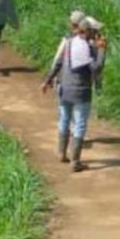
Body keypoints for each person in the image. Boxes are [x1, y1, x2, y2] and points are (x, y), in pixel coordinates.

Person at [42, 15, 105, 172]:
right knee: (80, 124)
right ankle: (75, 161)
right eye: (95, 31)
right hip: (80, 91)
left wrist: (48, 80)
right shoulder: (87, 48)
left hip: (64, 89)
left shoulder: (69, 42)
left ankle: (61, 153)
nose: (97, 34)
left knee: (64, 119)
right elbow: (96, 69)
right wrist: (102, 50)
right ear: (88, 31)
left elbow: (58, 63)